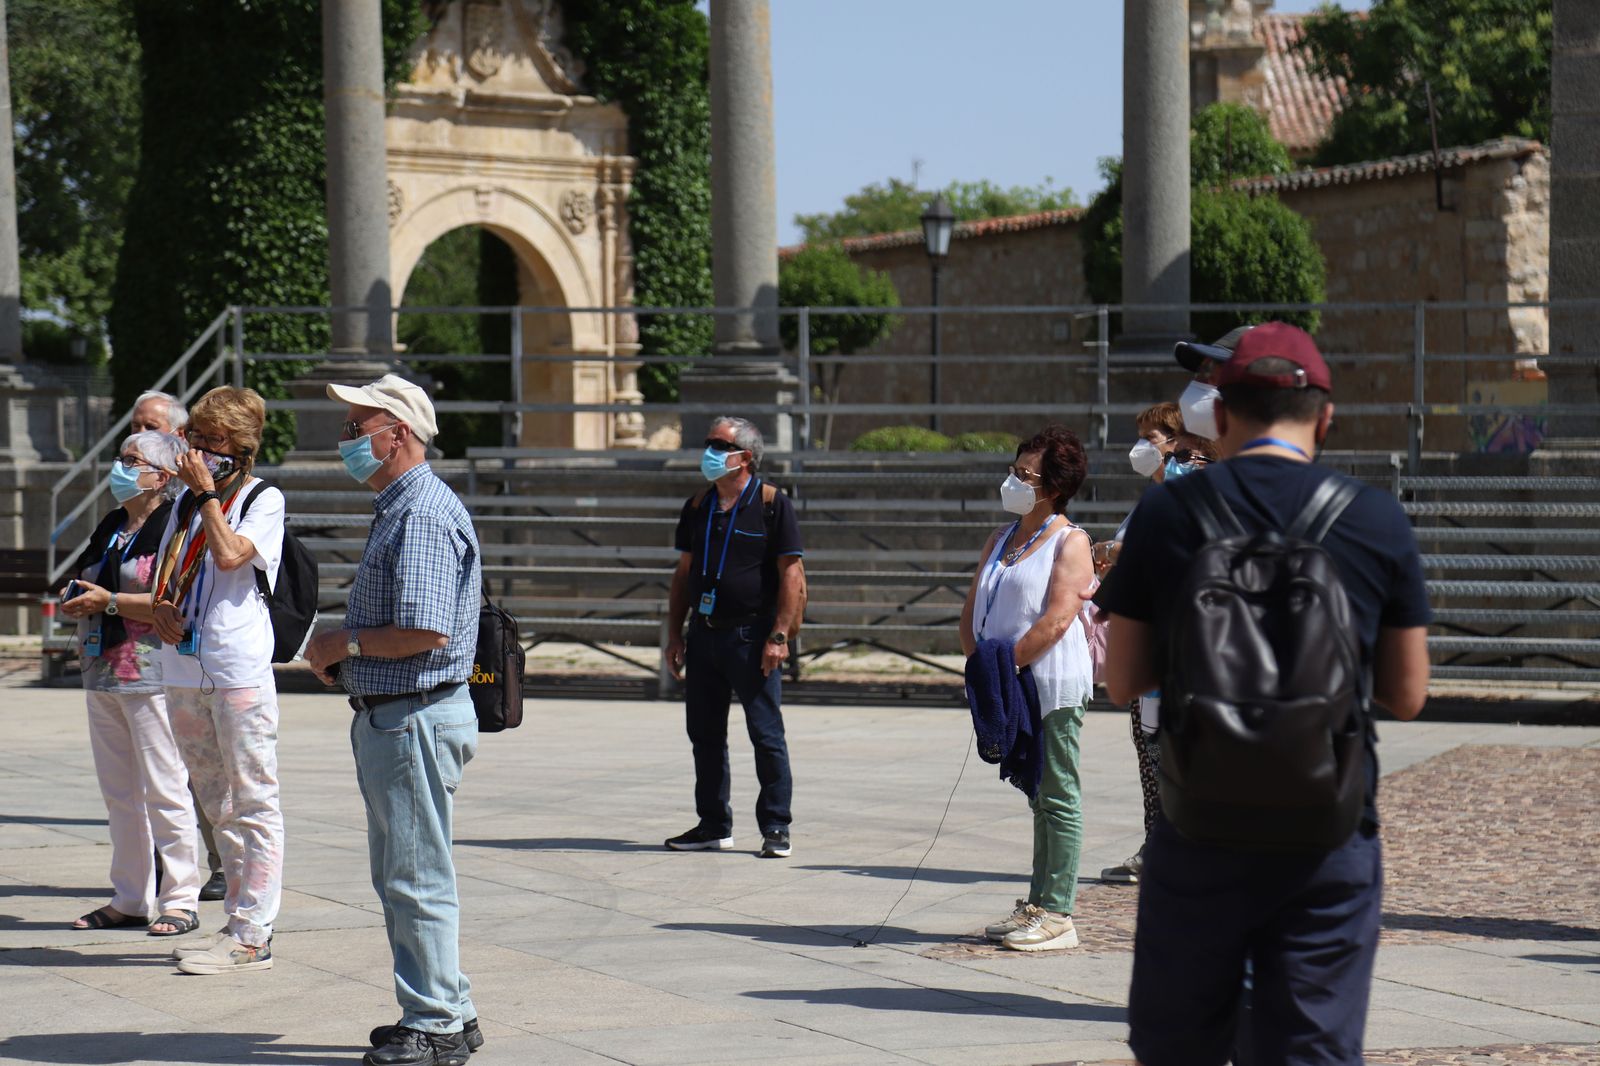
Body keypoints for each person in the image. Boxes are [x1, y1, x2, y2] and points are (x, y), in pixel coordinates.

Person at [1094, 322, 1431, 1065]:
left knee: (1177, 1044)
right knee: (1311, 1046)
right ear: (1327, 414)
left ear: (1218, 409)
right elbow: (1406, 695)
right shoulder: (1375, 518)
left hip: (1200, 822)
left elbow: (1124, 679)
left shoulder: (1167, 514)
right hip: (1328, 827)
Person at [302, 374, 483, 1066]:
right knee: (406, 872)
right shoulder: (403, 505)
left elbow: (425, 629)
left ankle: (434, 1022)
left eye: (357, 429)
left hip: (412, 717)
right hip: (401, 716)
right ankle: (448, 1007)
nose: (346, 442)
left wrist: (340, 643)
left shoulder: (421, 513)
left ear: (396, 433)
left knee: (414, 876)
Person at [151, 386, 286, 975]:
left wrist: (207, 494)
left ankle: (255, 931)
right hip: (183, 666)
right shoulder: (180, 506)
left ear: (241, 446)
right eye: (197, 438)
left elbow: (232, 556)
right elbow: (166, 574)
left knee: (254, 798)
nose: (201, 449)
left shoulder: (263, 498)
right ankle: (235, 919)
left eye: (215, 441)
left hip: (238, 668)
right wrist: (157, 607)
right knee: (214, 800)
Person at [58, 431, 203, 937]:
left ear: (162, 476)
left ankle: (181, 897)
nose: (120, 467)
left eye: (131, 460)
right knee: (120, 794)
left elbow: (175, 602)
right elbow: (89, 579)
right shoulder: (113, 524)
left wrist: (109, 602)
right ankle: (130, 897)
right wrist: (77, 594)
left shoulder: (174, 525)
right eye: (120, 457)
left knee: (165, 788)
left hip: (151, 672)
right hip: (101, 671)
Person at [960, 425, 1096, 952]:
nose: (1013, 481)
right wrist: (981, 665)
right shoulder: (1001, 538)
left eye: (1025, 475)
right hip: (1007, 679)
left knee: (1058, 791)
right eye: (1013, 471)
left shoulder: (1070, 540)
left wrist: (1006, 668)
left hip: (1048, 681)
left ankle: (1058, 910)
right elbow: (974, 607)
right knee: (1038, 794)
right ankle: (1037, 902)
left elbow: (1059, 617)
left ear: (1053, 486)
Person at [663, 416, 806, 859]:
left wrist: (779, 636)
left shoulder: (770, 503)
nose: (707, 451)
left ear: (744, 457)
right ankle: (713, 824)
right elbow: (683, 575)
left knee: (765, 734)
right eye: (707, 442)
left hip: (751, 637)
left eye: (717, 444)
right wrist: (674, 634)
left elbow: (792, 575)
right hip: (704, 637)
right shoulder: (698, 506)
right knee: (704, 735)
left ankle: (776, 826)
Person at [128, 388, 227, 904]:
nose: (144, 437)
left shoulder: (191, 502)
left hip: (194, 657)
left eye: (153, 427)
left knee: (202, 772)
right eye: (136, 424)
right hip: (145, 659)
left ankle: (222, 867)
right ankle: (176, 869)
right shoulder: (138, 502)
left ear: (179, 436)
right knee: (172, 775)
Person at [1098, 401, 1185, 884]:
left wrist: (1115, 551)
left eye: (1150, 438)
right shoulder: (1149, 499)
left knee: (1165, 754)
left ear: (1175, 443)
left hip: (1169, 649)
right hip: (1142, 645)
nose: (1140, 447)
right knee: (1148, 751)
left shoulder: (1183, 491)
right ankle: (1156, 843)